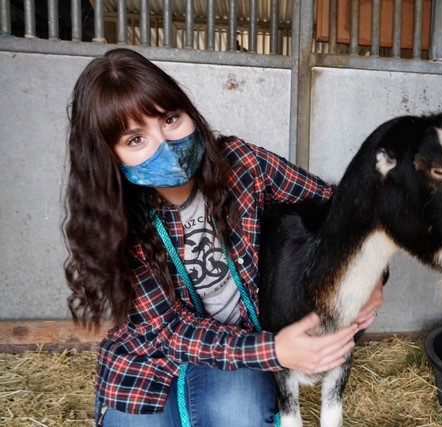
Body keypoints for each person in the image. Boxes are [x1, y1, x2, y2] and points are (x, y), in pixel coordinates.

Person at [63, 48, 383, 426]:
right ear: (108, 156)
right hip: (151, 356)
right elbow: (170, 331)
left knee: (237, 415)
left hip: (239, 348)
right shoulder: (118, 220)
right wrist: (278, 349)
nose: (165, 144)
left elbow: (341, 204)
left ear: (188, 113)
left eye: (170, 119)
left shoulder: (243, 165)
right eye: (135, 139)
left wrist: (373, 276)